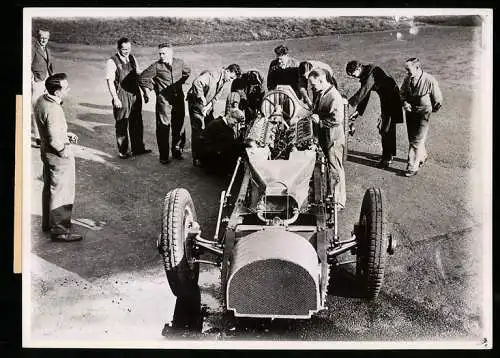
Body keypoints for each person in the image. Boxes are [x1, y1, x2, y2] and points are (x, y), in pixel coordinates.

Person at [34, 73, 82, 242]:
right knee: (62, 192)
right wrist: (64, 151)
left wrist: (65, 134)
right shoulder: (54, 109)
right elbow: (54, 139)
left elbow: (48, 129)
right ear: (56, 91)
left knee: (50, 188)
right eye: (65, 87)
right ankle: (60, 230)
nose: (68, 89)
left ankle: (48, 223)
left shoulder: (41, 100)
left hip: (46, 152)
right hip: (57, 155)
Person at [139, 43, 191, 164]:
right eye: (160, 53)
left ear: (171, 53)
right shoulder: (156, 66)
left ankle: (177, 151)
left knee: (179, 126)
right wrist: (152, 88)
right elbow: (142, 78)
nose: (161, 56)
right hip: (164, 102)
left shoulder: (180, 63)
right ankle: (164, 156)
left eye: (164, 53)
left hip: (178, 100)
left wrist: (179, 83)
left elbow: (187, 72)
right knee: (163, 127)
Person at [346, 60, 404, 168]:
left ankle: (387, 159)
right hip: (386, 100)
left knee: (386, 129)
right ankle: (388, 155)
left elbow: (364, 90)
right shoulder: (366, 74)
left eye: (354, 75)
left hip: (391, 101)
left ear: (358, 69)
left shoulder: (371, 72)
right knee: (387, 128)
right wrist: (358, 112)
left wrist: (348, 102)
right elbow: (365, 95)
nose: (355, 77)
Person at [186, 64, 241, 166]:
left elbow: (216, 97)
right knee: (198, 128)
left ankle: (206, 154)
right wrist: (201, 97)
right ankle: (196, 157)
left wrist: (208, 106)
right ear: (227, 71)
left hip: (206, 104)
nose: (230, 80)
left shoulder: (225, 81)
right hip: (196, 102)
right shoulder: (212, 74)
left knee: (210, 125)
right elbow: (197, 82)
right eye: (231, 77)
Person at [105, 37, 151, 159]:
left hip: (135, 93)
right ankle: (123, 151)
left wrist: (145, 92)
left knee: (137, 121)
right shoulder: (112, 62)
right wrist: (115, 98)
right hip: (122, 94)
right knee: (122, 122)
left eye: (129, 48)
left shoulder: (132, 58)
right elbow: (110, 82)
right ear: (119, 48)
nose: (127, 51)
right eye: (124, 49)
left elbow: (138, 75)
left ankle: (138, 148)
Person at [308, 69, 346, 209]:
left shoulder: (334, 96)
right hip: (325, 136)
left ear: (321, 80)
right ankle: (330, 193)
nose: (312, 87)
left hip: (333, 137)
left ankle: (338, 201)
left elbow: (337, 120)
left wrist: (320, 121)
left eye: (313, 84)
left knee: (335, 167)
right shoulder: (321, 93)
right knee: (329, 166)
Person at [400, 57, 443, 177]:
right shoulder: (407, 79)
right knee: (413, 137)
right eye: (406, 69)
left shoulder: (429, 79)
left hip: (423, 112)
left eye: (408, 69)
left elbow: (438, 99)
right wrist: (404, 103)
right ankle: (422, 156)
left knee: (416, 140)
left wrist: (431, 110)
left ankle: (412, 166)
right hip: (410, 111)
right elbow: (402, 93)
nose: (407, 72)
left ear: (417, 67)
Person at [200, 108, 246, 175]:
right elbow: (227, 144)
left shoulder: (222, 123)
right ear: (229, 117)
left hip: (211, 150)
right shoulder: (217, 125)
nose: (235, 125)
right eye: (235, 122)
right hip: (209, 154)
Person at [31, 29, 54, 148]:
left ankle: (44, 135)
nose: (43, 39)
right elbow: (27, 65)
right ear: (37, 37)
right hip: (37, 82)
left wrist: (51, 80)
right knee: (36, 109)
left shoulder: (47, 50)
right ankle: (37, 138)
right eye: (41, 37)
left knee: (45, 108)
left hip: (46, 82)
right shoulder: (33, 48)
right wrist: (32, 79)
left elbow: (49, 67)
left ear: (48, 38)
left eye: (46, 37)